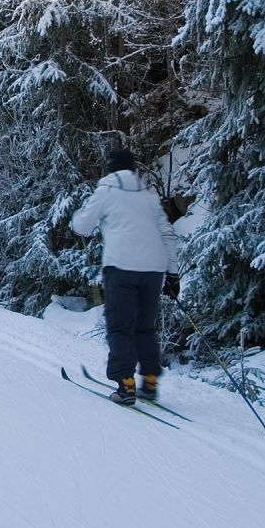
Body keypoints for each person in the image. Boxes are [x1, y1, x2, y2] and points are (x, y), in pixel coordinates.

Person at [71, 149, 180, 405]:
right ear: (133, 170)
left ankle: (125, 384)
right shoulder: (148, 196)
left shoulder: (106, 191)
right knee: (145, 327)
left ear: (110, 169)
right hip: (153, 270)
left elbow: (82, 227)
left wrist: (80, 216)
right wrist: (173, 274)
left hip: (121, 267)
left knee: (120, 326)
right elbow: (167, 234)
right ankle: (150, 382)